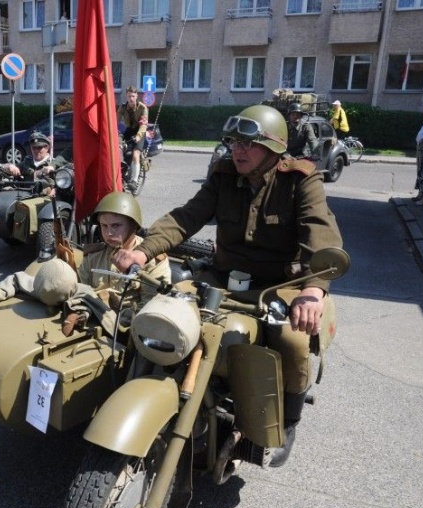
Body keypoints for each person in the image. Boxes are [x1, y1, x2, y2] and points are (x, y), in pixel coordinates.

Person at [112, 104, 343, 468]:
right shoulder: (224, 176)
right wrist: (144, 250)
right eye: (235, 142)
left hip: (279, 284)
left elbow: (321, 232)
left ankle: (289, 421)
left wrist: (313, 290)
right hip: (224, 277)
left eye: (249, 144)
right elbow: (187, 216)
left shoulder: (300, 180)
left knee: (294, 341)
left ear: (274, 149)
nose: (238, 150)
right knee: (160, 311)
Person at [78, 191, 171, 308]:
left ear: (133, 225)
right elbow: (81, 293)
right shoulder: (93, 256)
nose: (109, 233)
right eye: (104, 226)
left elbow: (152, 308)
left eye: (116, 225)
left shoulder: (153, 261)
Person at [0, 131, 69, 195]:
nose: (36, 150)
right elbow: (4, 169)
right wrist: (10, 166)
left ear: (47, 148)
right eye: (34, 148)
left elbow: (65, 182)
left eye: (39, 148)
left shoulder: (54, 164)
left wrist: (55, 189)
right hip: (25, 195)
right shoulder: (27, 162)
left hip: (45, 200)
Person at [117, 85, 149, 192]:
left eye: (133, 96)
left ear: (136, 96)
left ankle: (134, 181)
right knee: (118, 148)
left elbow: (143, 125)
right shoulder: (122, 108)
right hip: (129, 130)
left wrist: (138, 136)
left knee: (135, 154)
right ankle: (122, 171)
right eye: (129, 96)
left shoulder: (142, 108)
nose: (131, 98)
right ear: (126, 96)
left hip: (139, 131)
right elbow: (115, 122)